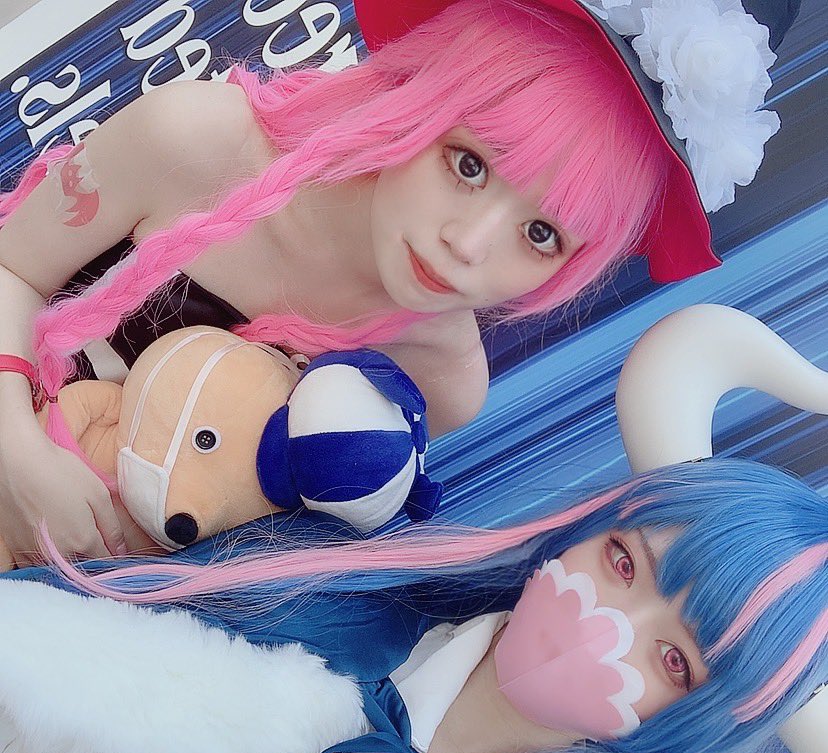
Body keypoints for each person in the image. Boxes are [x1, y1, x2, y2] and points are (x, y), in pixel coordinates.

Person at [0, 0, 797, 560]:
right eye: (469, 164)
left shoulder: (439, 383)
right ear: (423, 93)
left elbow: (258, 552)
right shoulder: (197, 138)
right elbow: (11, 266)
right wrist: (19, 456)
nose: (467, 246)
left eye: (542, 235)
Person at [1, 459, 825, 753]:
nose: (611, 627)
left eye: (674, 661)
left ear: (692, 725)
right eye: (623, 563)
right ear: (587, 529)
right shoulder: (333, 581)